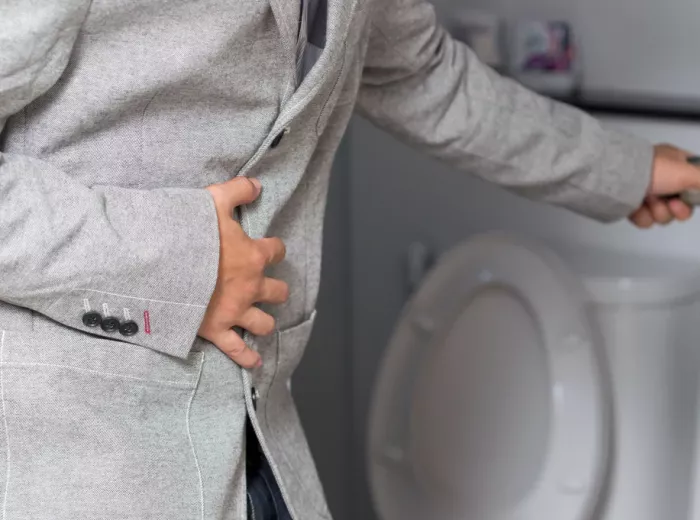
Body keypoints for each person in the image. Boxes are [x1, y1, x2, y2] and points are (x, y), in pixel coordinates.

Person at [0, 1, 698, 519]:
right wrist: (182, 265)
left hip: (257, 437)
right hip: (66, 456)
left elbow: (420, 73)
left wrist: (622, 170)